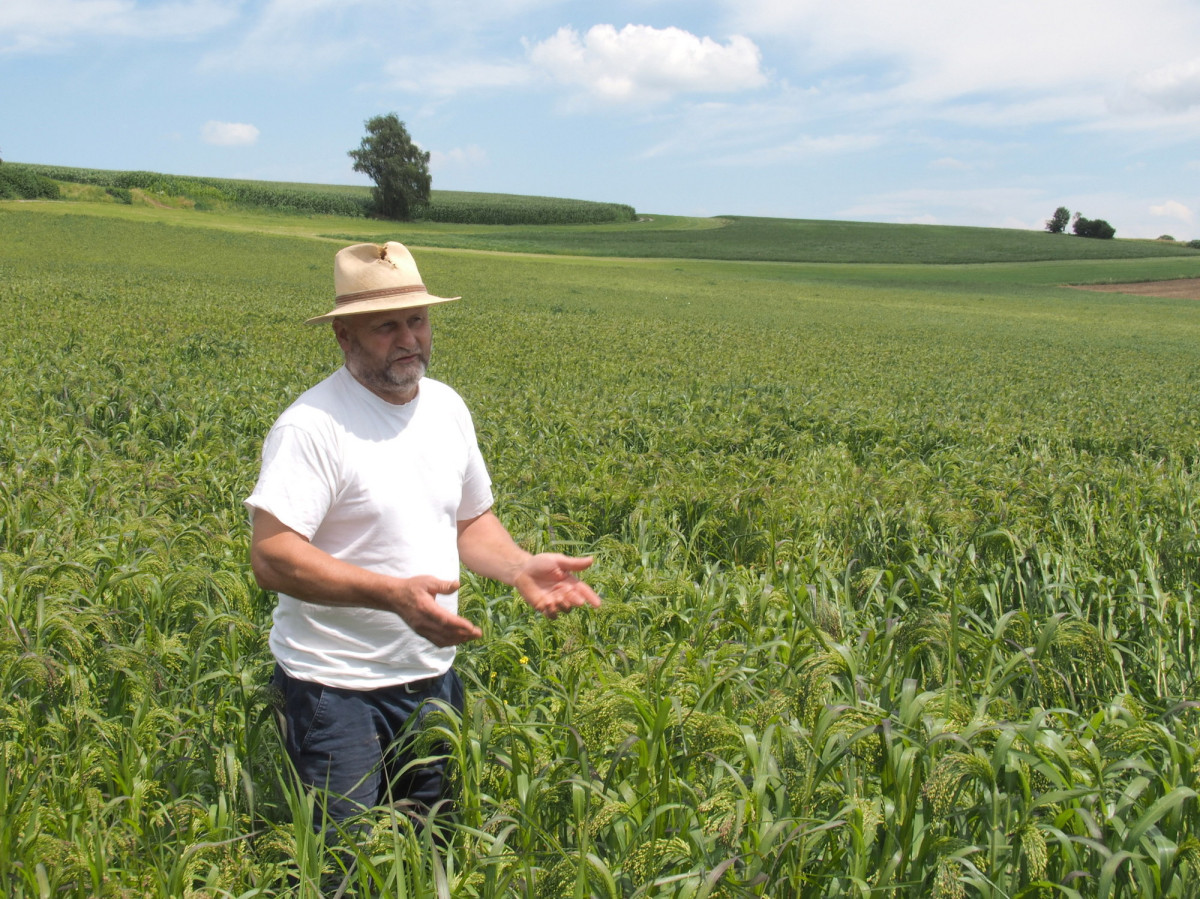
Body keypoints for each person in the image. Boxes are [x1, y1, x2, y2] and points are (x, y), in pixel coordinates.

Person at [246, 241, 601, 832]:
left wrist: (517, 568)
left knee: (432, 845)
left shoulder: (446, 408)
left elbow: (469, 520)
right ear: (344, 338)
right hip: (335, 691)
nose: (409, 338)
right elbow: (273, 557)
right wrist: (391, 594)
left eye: (418, 320)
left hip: (433, 679)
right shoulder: (311, 428)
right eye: (386, 327)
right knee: (346, 869)